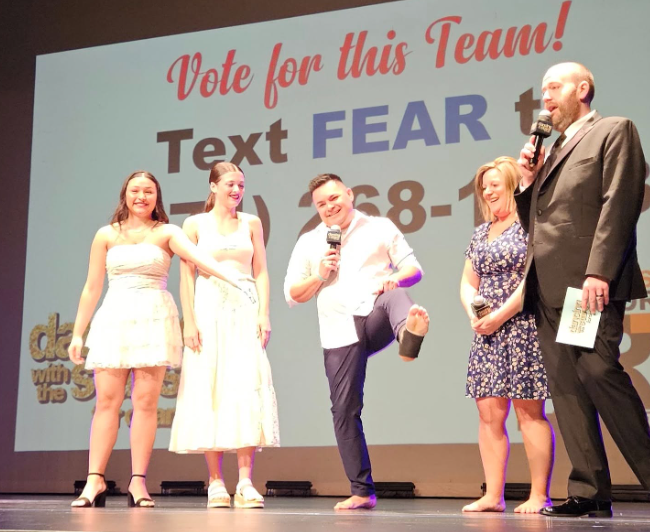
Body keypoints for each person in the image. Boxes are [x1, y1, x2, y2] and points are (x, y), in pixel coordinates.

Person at [515, 62, 650, 518]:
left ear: (583, 89)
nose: (546, 97)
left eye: (555, 87)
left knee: (596, 372)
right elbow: (538, 222)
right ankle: (589, 490)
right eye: (543, 89)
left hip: (585, 285)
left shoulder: (613, 130)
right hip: (546, 287)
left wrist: (599, 273)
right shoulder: (551, 149)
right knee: (567, 388)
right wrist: (528, 182)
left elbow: (619, 204)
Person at [68, 170, 255, 509]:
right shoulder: (106, 234)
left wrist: (235, 278)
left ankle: (138, 481)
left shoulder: (168, 231)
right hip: (114, 319)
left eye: (149, 191)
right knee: (107, 402)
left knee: (145, 403)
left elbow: (199, 258)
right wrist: (78, 333)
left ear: (157, 197)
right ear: (125, 194)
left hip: (154, 318)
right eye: (135, 190)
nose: (142, 197)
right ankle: (95, 479)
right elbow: (92, 287)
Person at [284, 173, 430, 510]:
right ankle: (362, 491)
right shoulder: (309, 241)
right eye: (321, 204)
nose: (329, 207)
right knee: (344, 410)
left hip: (375, 314)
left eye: (334, 198)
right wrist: (320, 274)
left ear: (349, 194)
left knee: (396, 296)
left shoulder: (379, 227)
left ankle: (407, 337)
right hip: (338, 330)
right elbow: (293, 294)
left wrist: (394, 277)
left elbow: (413, 269)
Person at [170, 162, 279, 509]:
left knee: (246, 385)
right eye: (230, 184)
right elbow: (186, 276)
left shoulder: (251, 223)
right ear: (213, 186)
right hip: (208, 310)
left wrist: (263, 313)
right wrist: (189, 321)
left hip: (244, 309)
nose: (236, 190)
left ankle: (245, 481)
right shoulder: (194, 224)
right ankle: (215, 481)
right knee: (210, 386)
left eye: (241, 185)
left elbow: (261, 271)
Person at [460, 157, 554, 514]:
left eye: (494, 184)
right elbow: (468, 281)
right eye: (484, 186)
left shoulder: (529, 225)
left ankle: (539, 495)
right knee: (488, 415)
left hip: (522, 325)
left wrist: (499, 316)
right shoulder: (480, 233)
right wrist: (475, 313)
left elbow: (532, 280)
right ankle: (493, 495)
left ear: (513, 184)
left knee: (529, 413)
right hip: (488, 333)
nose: (487, 191)